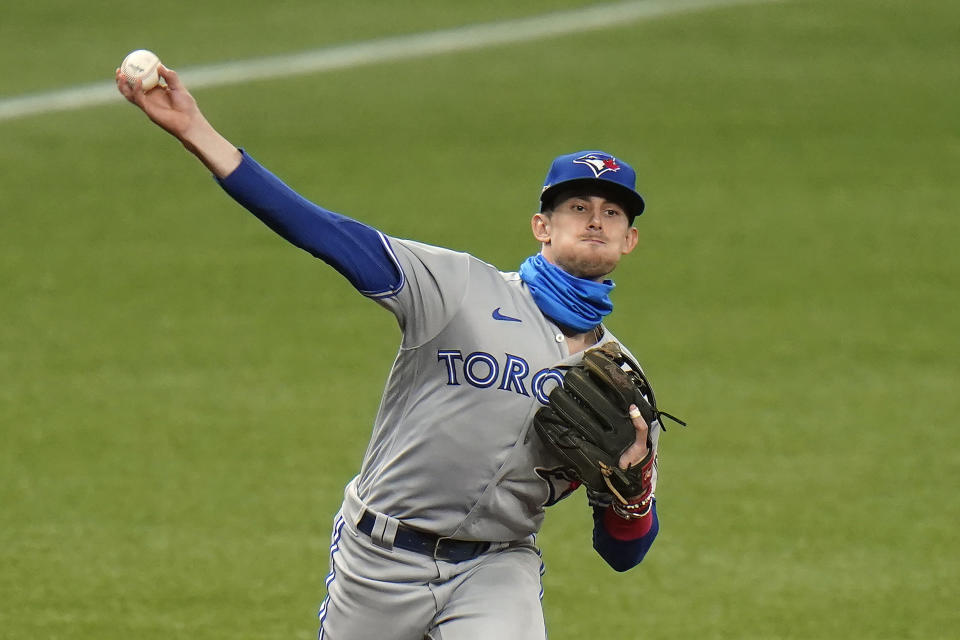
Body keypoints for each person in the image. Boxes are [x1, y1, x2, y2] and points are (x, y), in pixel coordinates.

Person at [117, 63, 667, 640]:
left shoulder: (623, 387)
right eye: (578, 207)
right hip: (378, 559)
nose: (596, 221)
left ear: (630, 240)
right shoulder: (458, 289)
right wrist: (196, 130)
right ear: (541, 227)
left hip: (496, 567)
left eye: (612, 213)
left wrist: (635, 490)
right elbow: (324, 233)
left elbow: (622, 554)